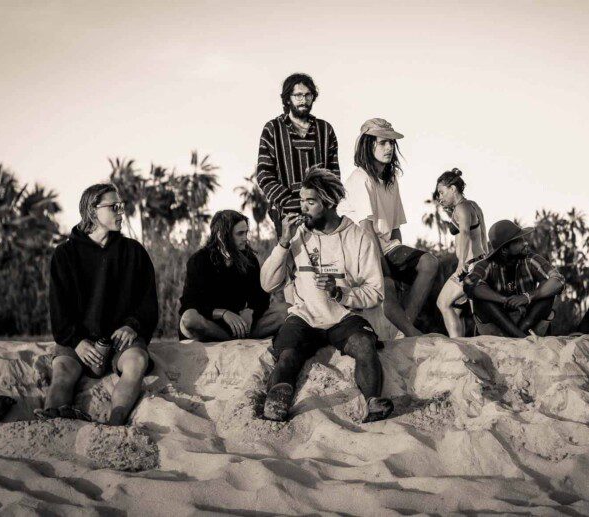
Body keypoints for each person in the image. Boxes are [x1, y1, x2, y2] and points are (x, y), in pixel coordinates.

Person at [260, 168, 393, 423]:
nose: (303, 208)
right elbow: (267, 284)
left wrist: (339, 292)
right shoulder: (297, 235)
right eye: (301, 202)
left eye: (310, 202)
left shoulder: (358, 237)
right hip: (304, 316)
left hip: (343, 317)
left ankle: (372, 402)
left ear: (330, 202)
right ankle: (274, 405)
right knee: (287, 354)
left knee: (365, 346)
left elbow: (375, 292)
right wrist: (283, 243)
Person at [43, 183, 158, 425]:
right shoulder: (65, 254)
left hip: (121, 341)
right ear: (93, 211)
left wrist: (132, 325)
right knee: (62, 373)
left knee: (137, 363)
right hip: (78, 341)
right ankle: (50, 426)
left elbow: (148, 302)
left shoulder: (134, 252)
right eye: (114, 207)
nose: (121, 212)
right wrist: (77, 342)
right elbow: (59, 310)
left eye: (122, 206)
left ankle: (115, 423)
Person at [340, 118, 438, 337]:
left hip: (384, 245)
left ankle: (404, 330)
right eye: (383, 142)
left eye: (392, 143)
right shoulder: (360, 178)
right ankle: (409, 331)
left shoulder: (391, 179)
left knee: (429, 263)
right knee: (388, 284)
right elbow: (366, 229)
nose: (389, 148)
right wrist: (383, 267)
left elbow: (394, 229)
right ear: (368, 145)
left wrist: (398, 264)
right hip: (358, 249)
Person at [179, 210, 287, 341]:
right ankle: (232, 339)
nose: (245, 238)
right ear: (221, 235)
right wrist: (223, 313)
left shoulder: (249, 259)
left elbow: (261, 297)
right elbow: (189, 304)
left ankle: (237, 336)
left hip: (241, 324)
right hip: (211, 324)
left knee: (287, 310)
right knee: (189, 319)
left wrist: (251, 311)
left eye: (246, 232)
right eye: (240, 233)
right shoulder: (199, 260)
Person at [256, 73, 340, 239]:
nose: (303, 99)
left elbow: (334, 173)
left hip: (321, 213)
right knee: (294, 262)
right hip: (288, 214)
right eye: (298, 95)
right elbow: (264, 174)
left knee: (327, 262)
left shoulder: (325, 130)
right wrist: (289, 202)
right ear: (288, 99)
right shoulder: (273, 129)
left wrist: (326, 203)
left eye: (308, 95)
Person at [464, 220, 564, 337]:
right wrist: (505, 300)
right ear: (504, 249)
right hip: (497, 324)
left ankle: (517, 335)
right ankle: (520, 337)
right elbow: (469, 282)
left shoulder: (530, 259)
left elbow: (558, 280)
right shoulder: (487, 264)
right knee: (481, 298)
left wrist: (527, 297)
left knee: (548, 293)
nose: (525, 243)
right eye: (519, 241)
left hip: (527, 320)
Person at [433, 168, 488, 337]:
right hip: (481, 262)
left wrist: (461, 263)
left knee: (442, 303)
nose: (440, 198)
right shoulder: (472, 205)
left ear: (453, 189)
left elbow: (464, 233)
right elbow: (480, 235)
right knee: (456, 309)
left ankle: (458, 346)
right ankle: (461, 345)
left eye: (442, 193)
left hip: (469, 266)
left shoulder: (461, 208)